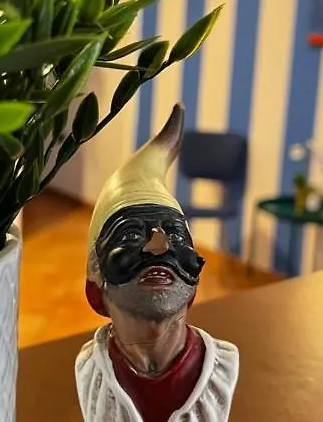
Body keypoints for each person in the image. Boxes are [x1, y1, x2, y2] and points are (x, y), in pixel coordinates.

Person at [75, 103, 240, 422]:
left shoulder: (224, 369)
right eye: (131, 235)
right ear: (96, 271)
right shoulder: (90, 371)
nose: (159, 246)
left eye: (175, 234)